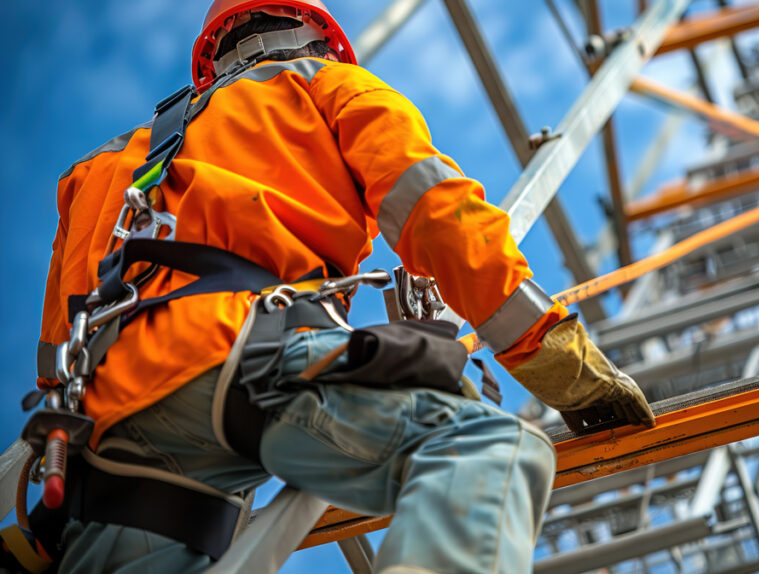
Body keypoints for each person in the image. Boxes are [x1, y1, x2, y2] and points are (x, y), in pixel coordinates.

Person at [34, 1, 655, 572]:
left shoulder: (101, 166)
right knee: (487, 448)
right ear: (321, 40)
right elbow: (437, 214)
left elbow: (58, 347)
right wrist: (567, 369)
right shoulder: (325, 85)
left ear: (213, 60)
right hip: (239, 357)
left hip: (103, 442)